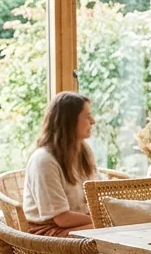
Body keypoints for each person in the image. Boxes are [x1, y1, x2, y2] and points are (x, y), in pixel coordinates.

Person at [22, 92, 99, 236]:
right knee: (114, 231)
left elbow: (94, 198)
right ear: (69, 121)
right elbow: (62, 218)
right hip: (49, 232)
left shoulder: (83, 152)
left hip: (80, 224)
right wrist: (102, 222)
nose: (93, 121)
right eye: (87, 116)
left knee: (123, 228)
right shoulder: (43, 160)